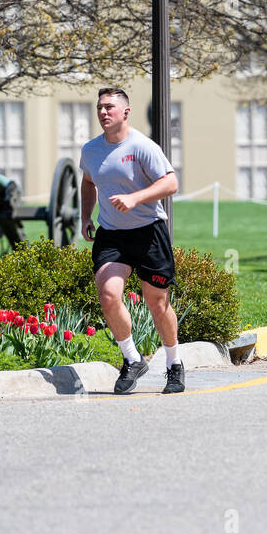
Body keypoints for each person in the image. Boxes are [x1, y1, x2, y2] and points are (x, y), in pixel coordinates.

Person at [79, 87, 183, 394]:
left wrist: (135, 198)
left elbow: (171, 182)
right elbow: (88, 181)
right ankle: (132, 359)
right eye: (99, 107)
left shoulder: (142, 146)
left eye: (109, 107)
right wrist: (86, 216)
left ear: (126, 112)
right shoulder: (91, 150)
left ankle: (174, 364)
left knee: (157, 303)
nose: (103, 112)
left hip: (148, 231)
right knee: (109, 295)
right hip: (112, 234)